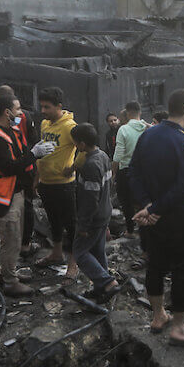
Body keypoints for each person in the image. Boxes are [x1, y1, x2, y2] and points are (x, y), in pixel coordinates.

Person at [129, 89, 184, 347]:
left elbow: (133, 172)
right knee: (183, 269)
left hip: (151, 217)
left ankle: (158, 316)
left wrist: (147, 206)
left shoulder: (147, 135)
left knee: (155, 263)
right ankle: (180, 329)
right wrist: (156, 209)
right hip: (178, 217)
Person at [0, 94, 55, 296]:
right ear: (7, 112)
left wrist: (33, 155)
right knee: (11, 241)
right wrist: (34, 154)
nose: (21, 113)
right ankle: (10, 282)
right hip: (4, 196)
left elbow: (19, 157)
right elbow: (9, 167)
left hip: (14, 192)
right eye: (18, 109)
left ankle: (9, 272)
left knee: (15, 237)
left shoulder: (10, 131)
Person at [71, 122, 122, 301]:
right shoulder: (103, 156)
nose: (75, 146)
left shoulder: (90, 165)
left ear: (82, 144)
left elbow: (90, 200)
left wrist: (83, 225)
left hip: (94, 217)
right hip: (104, 212)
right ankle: (102, 288)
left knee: (80, 252)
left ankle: (108, 283)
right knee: (98, 251)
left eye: (75, 143)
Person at [35, 87, 79, 279]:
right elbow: (42, 152)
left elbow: (85, 150)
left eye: (47, 107)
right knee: (53, 220)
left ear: (59, 106)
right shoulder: (44, 124)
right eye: (42, 106)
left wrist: (72, 167)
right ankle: (56, 253)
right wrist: (36, 178)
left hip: (64, 184)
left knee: (71, 224)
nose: (43, 110)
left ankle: (73, 262)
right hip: (46, 182)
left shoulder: (70, 127)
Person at [113, 102, 147, 239]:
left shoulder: (124, 129)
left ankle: (131, 230)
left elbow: (118, 155)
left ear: (127, 113)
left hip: (126, 170)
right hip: (143, 170)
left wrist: (113, 172)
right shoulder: (147, 128)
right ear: (140, 112)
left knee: (126, 202)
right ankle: (144, 230)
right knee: (142, 200)